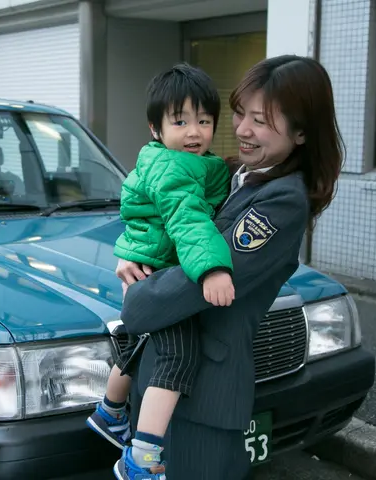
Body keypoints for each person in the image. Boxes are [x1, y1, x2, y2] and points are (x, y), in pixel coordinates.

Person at [115, 54, 344, 479]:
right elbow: (166, 216)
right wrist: (133, 252)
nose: (241, 130)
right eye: (240, 114)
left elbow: (192, 284)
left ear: (300, 133)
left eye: (261, 120)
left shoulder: (282, 201)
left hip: (203, 394)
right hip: (167, 376)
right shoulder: (232, 175)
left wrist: (136, 298)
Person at [85, 64, 236, 478]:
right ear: (156, 127)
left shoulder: (179, 162)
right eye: (181, 121)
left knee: (136, 341)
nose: (194, 132)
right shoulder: (173, 169)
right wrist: (212, 270)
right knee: (178, 356)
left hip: (145, 269)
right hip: (156, 274)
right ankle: (142, 458)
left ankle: (110, 411)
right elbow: (189, 222)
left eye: (204, 121)